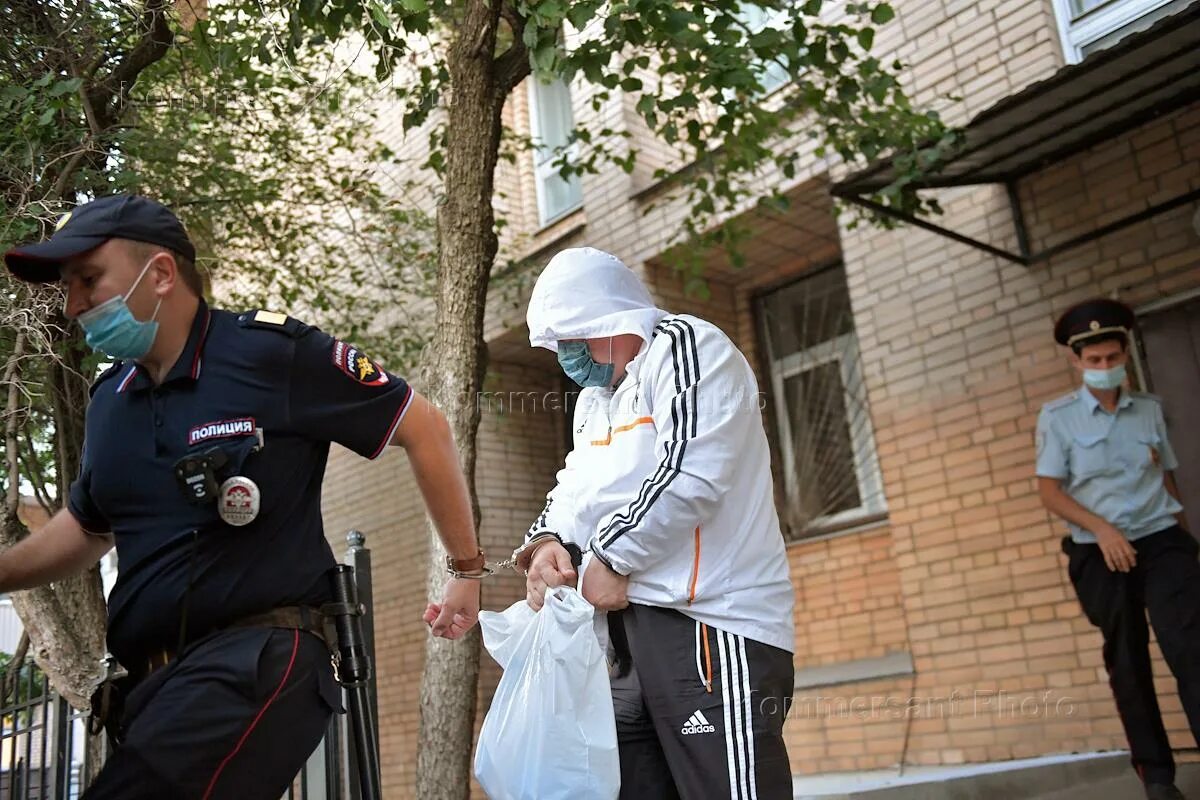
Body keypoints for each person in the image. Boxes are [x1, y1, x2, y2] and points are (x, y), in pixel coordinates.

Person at [2, 194, 484, 799]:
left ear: (160, 275)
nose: (73, 306)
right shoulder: (110, 403)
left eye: (89, 281)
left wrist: (465, 570)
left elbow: (423, 426)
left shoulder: (271, 353)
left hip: (256, 660)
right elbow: (88, 529)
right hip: (155, 690)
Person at [517, 247, 796, 800]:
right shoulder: (596, 401)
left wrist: (613, 557)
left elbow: (694, 468)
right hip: (623, 637)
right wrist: (546, 540)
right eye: (560, 344)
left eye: (577, 337)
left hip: (712, 624)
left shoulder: (687, 346)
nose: (569, 354)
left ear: (614, 319)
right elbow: (576, 483)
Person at [1036, 298, 1198, 800]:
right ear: (1077, 361)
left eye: (1112, 358)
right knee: (1128, 660)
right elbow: (1049, 490)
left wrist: (1184, 535)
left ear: (1125, 354)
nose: (1104, 369)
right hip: (1099, 549)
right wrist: (1104, 530)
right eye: (1094, 361)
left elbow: (1166, 477)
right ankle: (1158, 777)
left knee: (1190, 647)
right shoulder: (1058, 418)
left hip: (1159, 538)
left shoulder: (1149, 409)